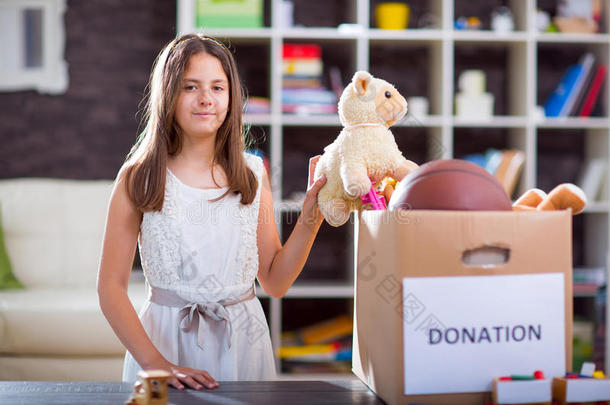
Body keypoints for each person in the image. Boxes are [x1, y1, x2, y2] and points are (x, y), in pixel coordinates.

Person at [97, 33, 327, 391]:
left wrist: (313, 215)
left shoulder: (253, 173)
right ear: (169, 94)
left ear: (232, 97)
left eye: (218, 88)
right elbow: (110, 287)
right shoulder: (139, 176)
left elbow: (275, 281)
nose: (206, 99)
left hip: (243, 343)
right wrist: (158, 364)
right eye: (191, 86)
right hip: (163, 345)